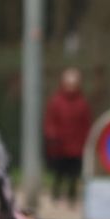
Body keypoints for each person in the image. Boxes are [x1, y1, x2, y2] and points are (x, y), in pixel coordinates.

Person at [43, 67, 94, 202]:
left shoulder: (82, 103)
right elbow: (50, 121)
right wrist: (52, 137)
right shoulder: (56, 102)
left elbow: (86, 124)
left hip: (76, 145)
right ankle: (56, 195)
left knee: (74, 174)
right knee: (59, 172)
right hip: (60, 145)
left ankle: (72, 196)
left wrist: (86, 141)